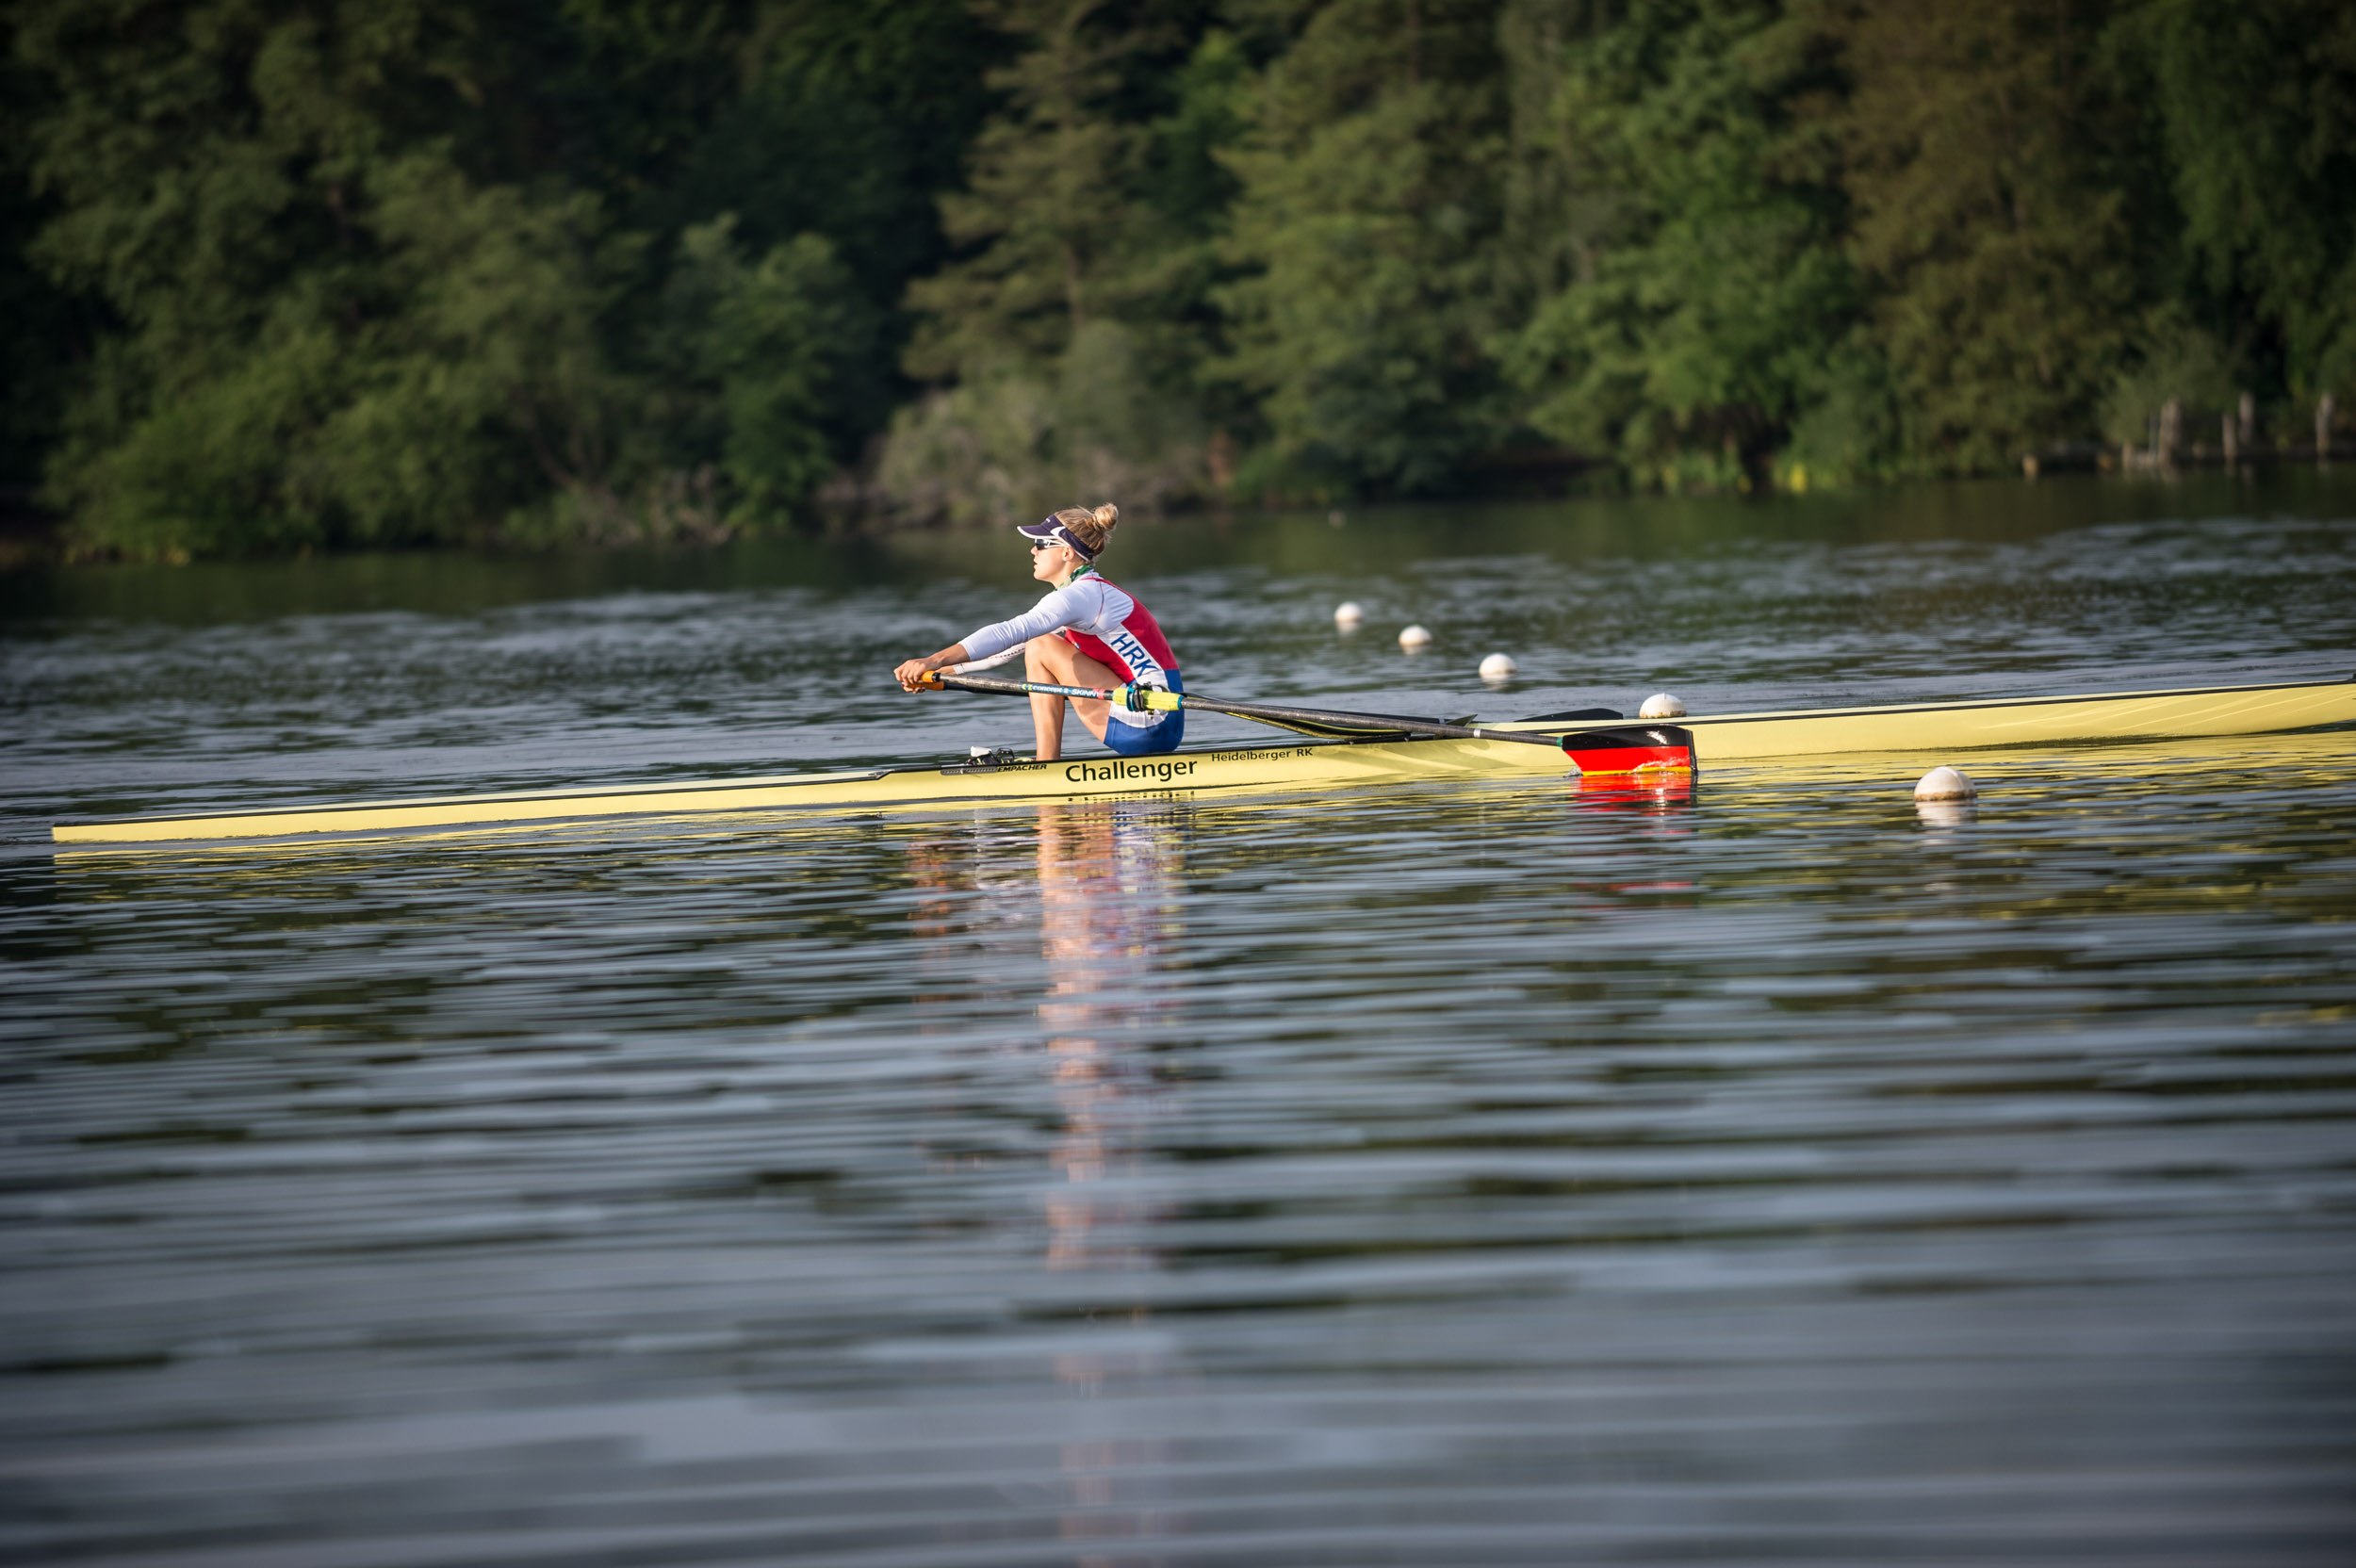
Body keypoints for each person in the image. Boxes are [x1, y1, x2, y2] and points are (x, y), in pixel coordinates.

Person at [894, 504, 1184, 761]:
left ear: (1067, 552)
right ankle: (1046, 764)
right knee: (1037, 644)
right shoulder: (1082, 597)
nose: (1033, 550)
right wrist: (940, 676)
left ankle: (1046, 764)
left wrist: (932, 659)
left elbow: (1010, 631)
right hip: (1153, 719)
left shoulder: (1081, 596)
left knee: (1041, 646)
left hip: (1150, 714)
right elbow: (1004, 651)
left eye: (1041, 543)